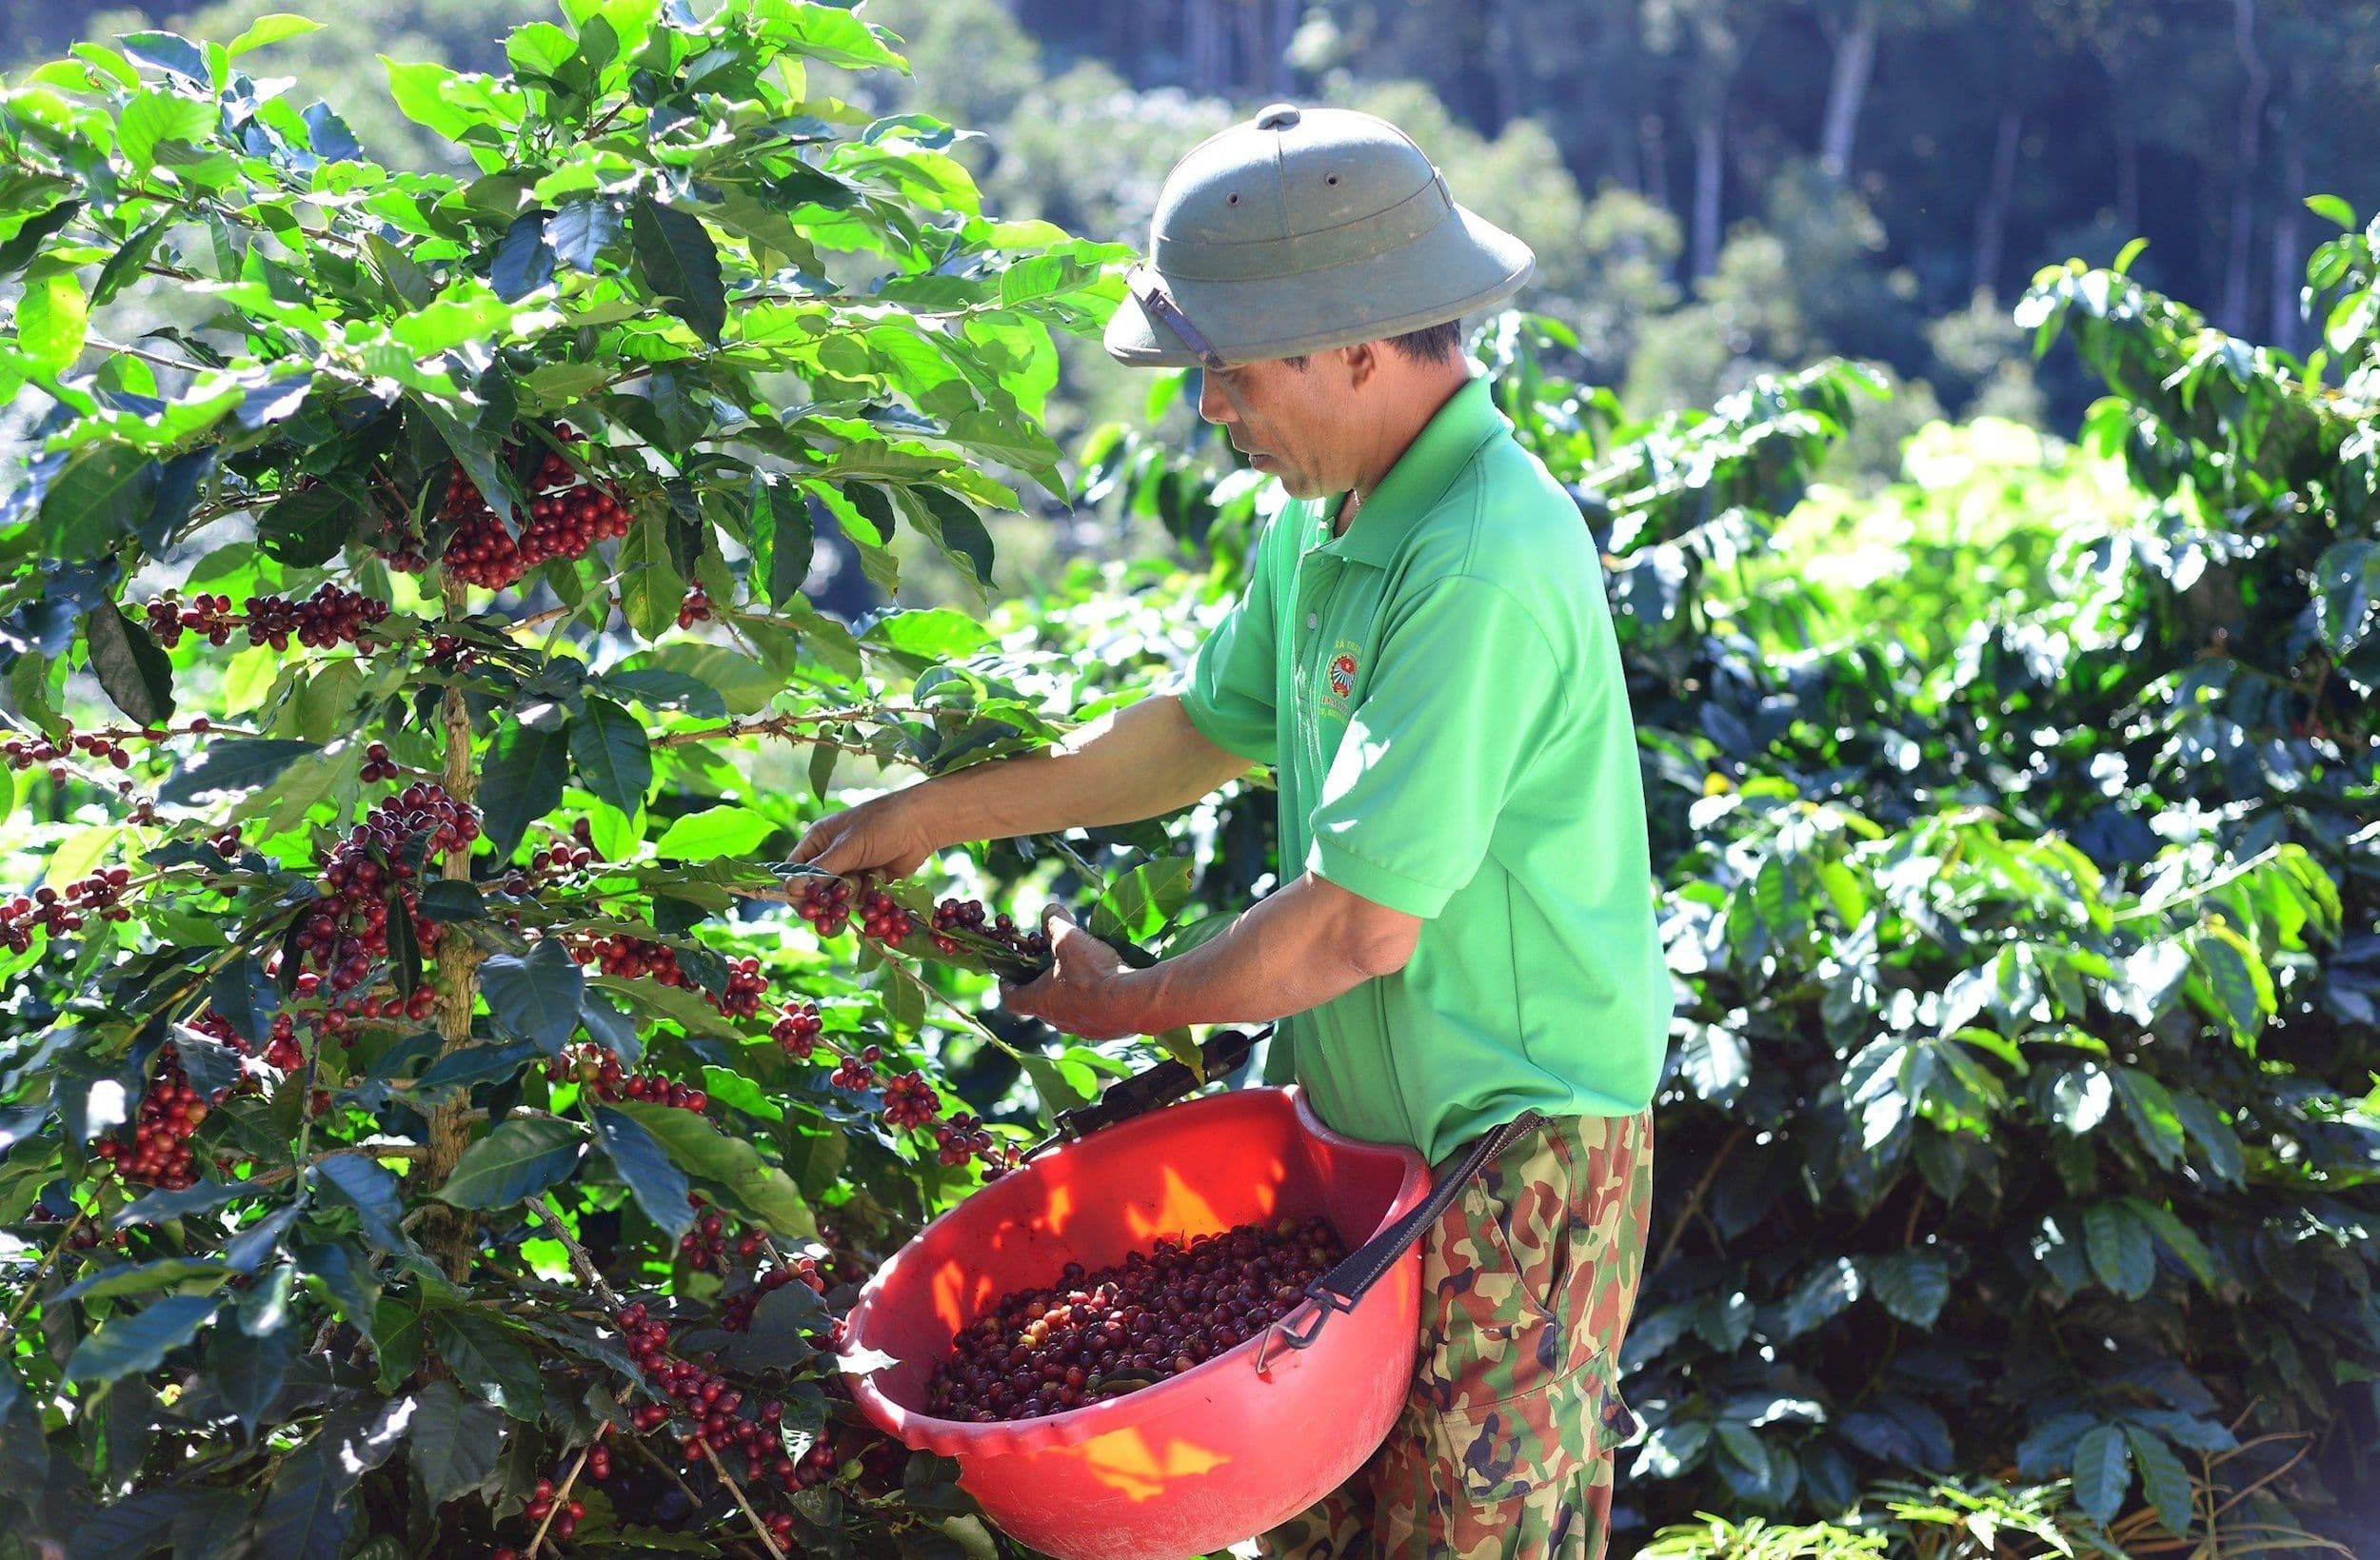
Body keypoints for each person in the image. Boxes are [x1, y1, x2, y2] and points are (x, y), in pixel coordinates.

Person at [790, 102, 1672, 1560]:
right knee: (1314, 1524)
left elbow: (1356, 925)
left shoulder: (1482, 561)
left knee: (1474, 1532)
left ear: (1357, 351)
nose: (1210, 408)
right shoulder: (1328, 522)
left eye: (1229, 368)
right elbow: (1200, 731)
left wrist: (1134, 1004)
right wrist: (935, 813)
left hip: (1511, 1146)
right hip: (1358, 1134)